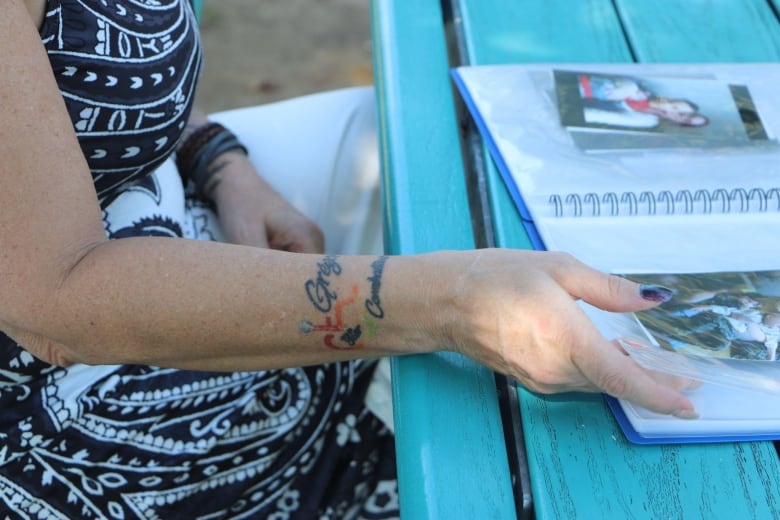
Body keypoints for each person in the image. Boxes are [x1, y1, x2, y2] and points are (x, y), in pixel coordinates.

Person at [0, 0, 697, 517]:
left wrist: (219, 161)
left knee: (435, 148)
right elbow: (59, 306)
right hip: (60, 391)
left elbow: (86, 72)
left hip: (175, 212)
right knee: (515, 460)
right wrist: (452, 304)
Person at [577, 73, 710, 129]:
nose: (684, 116)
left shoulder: (649, 120)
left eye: (687, 120)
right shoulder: (647, 90)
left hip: (582, 101)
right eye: (689, 114)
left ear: (680, 123)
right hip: (582, 82)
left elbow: (598, 116)